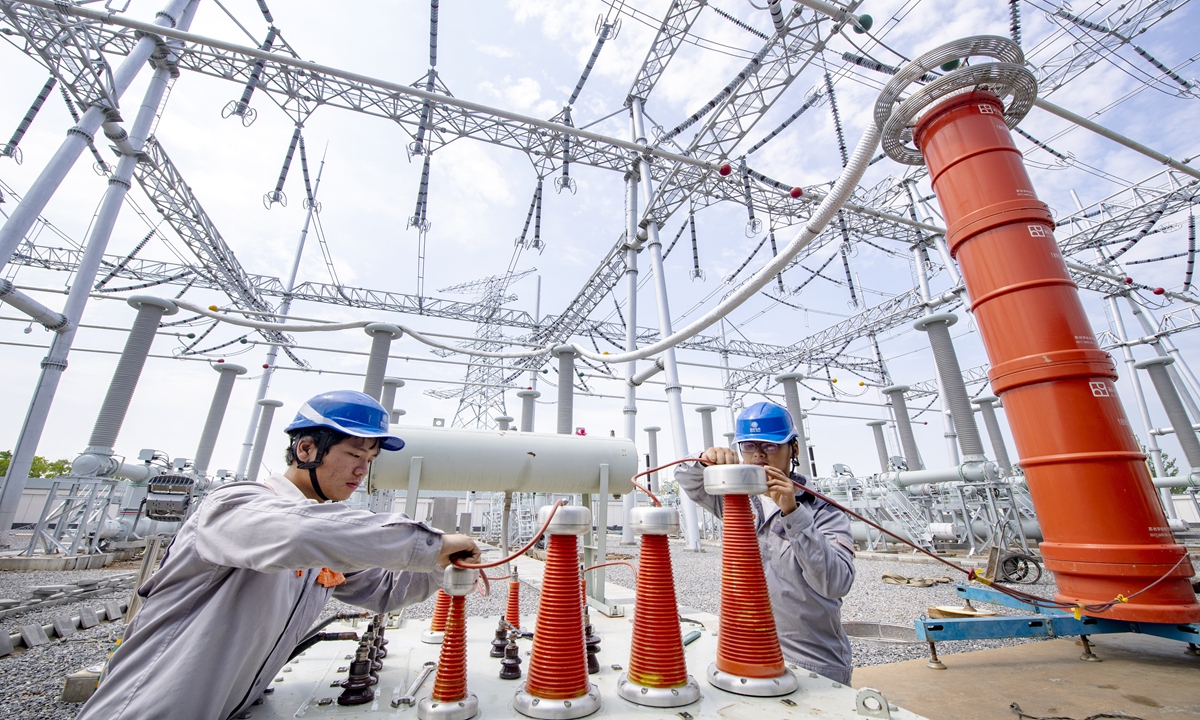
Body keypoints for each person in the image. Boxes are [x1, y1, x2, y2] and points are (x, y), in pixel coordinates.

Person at [79, 390, 480, 720]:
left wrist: (437, 566)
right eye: (354, 456)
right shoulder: (237, 505)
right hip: (145, 708)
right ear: (306, 449)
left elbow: (384, 591)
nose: (362, 471)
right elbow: (299, 530)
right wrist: (430, 543)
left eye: (369, 460)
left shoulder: (325, 537)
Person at [675, 401, 855, 684]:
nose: (758, 455)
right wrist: (702, 458)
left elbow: (835, 583)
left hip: (810, 661)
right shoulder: (737, 499)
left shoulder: (822, 510)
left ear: (794, 449)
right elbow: (688, 480)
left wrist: (794, 514)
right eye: (749, 446)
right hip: (744, 652)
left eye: (770, 446)